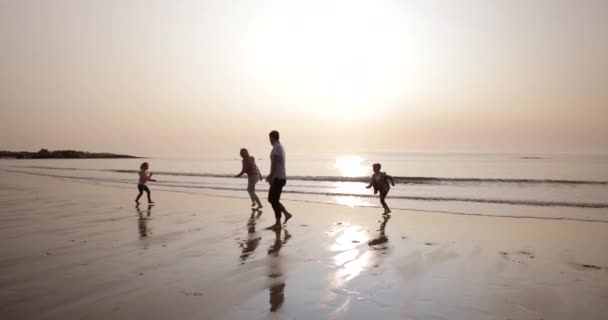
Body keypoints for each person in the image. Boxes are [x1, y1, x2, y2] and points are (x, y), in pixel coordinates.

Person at [266, 130, 291, 229]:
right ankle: (286, 213)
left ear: (273, 137)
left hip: (279, 178)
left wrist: (271, 176)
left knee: (273, 200)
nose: (269, 141)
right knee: (273, 199)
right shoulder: (279, 147)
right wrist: (270, 175)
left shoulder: (277, 148)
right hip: (280, 177)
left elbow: (275, 163)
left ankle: (278, 223)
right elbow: (276, 164)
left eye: (270, 138)